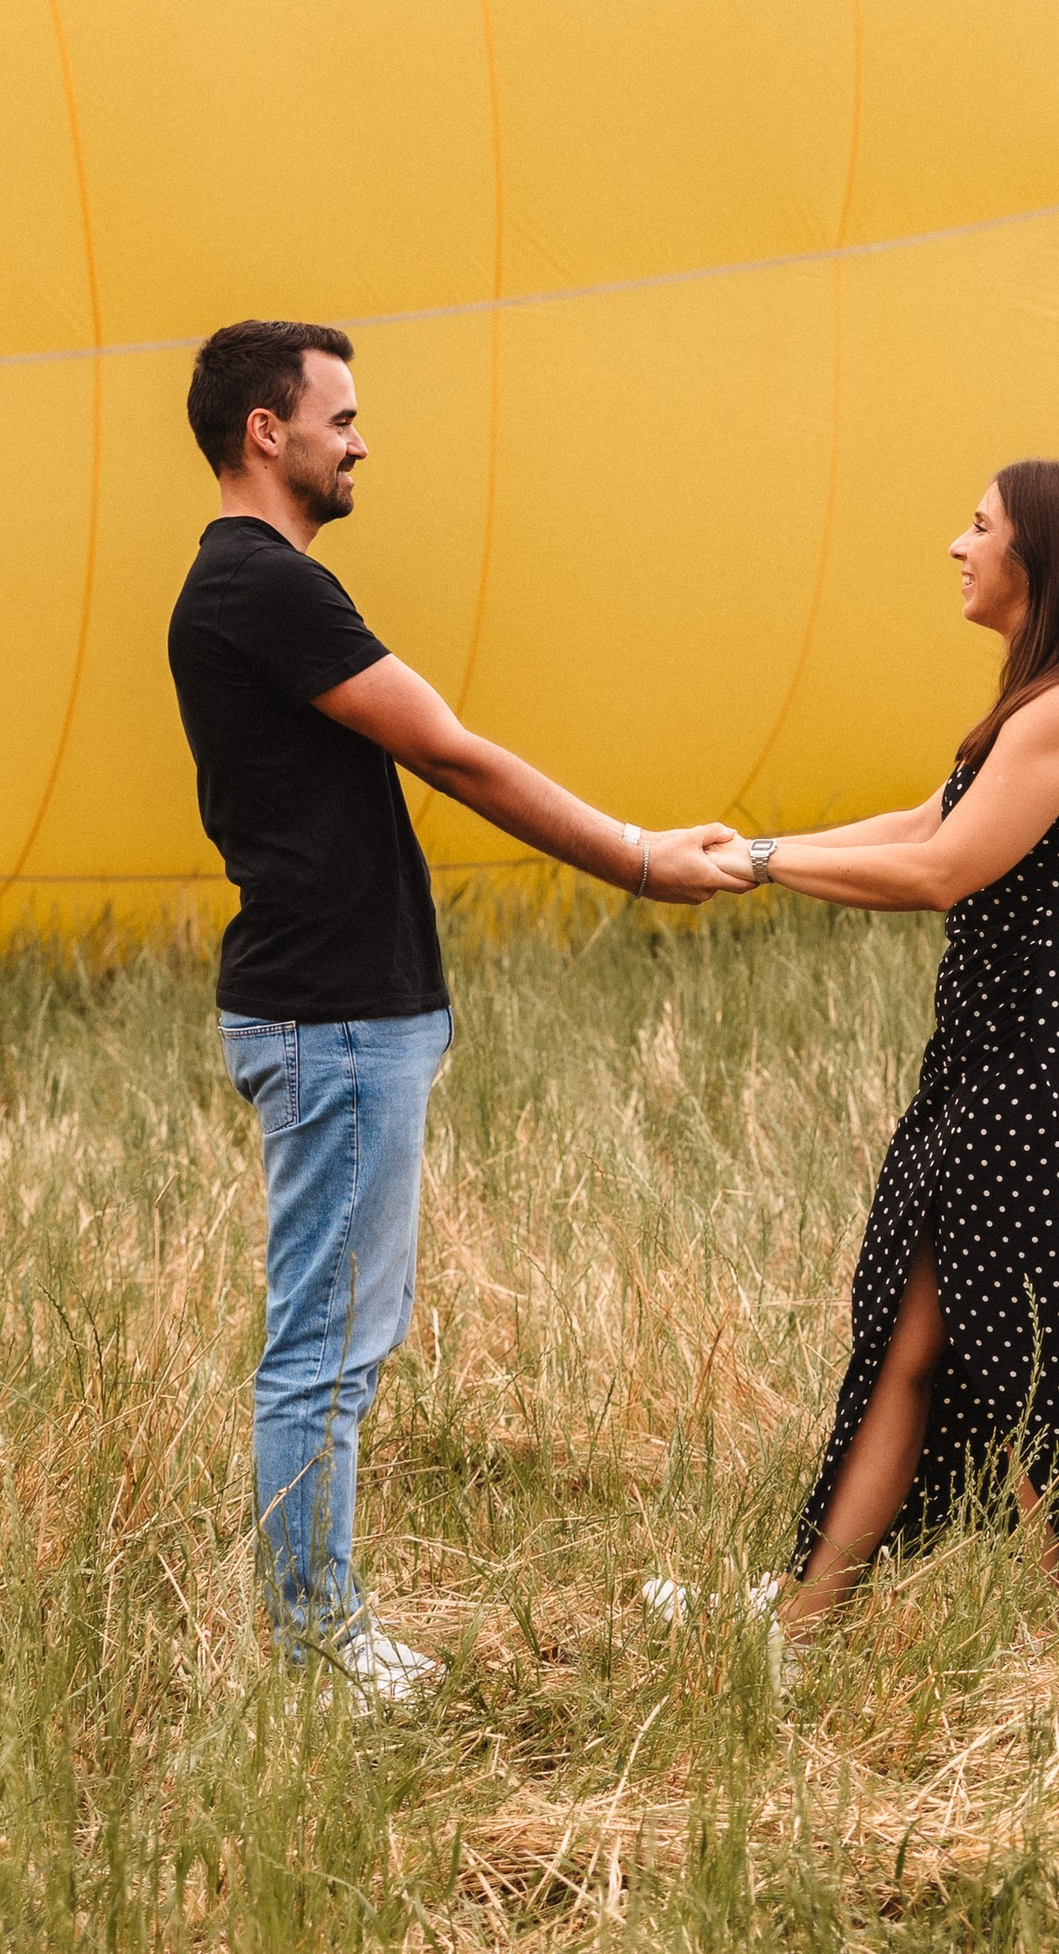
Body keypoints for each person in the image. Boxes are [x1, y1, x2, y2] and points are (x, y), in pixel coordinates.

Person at [169, 318, 735, 1697]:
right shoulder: (264, 585)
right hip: (335, 1019)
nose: (360, 442)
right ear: (268, 430)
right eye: (341, 417)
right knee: (326, 1349)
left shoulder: (252, 586)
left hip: (347, 1016)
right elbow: (454, 753)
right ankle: (317, 1651)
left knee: (344, 1341)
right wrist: (640, 859)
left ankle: (328, 1629)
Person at [704, 458, 1059, 1624]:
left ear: (1040, 558)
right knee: (912, 1342)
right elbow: (925, 821)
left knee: (1029, 1362)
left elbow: (942, 871)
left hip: (1044, 1078)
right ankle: (803, 1619)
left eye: (978, 527)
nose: (955, 547)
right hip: (992, 1064)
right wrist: (752, 850)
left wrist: (759, 864)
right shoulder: (1042, 699)